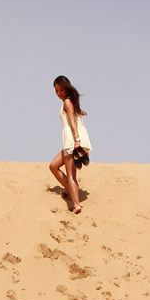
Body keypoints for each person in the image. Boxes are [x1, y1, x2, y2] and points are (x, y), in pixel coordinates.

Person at [49, 75, 91, 215]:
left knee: (71, 174)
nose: (59, 93)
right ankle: (72, 192)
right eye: (56, 90)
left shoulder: (67, 102)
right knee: (53, 166)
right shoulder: (71, 102)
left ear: (67, 88)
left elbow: (73, 122)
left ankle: (76, 204)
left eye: (61, 89)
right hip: (73, 140)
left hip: (72, 141)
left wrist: (77, 141)